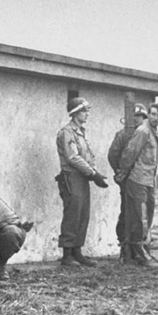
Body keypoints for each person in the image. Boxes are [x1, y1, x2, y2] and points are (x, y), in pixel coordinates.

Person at [55, 97, 108, 268]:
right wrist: (93, 174)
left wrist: (93, 173)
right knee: (72, 214)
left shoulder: (80, 132)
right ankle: (67, 255)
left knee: (83, 214)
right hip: (71, 177)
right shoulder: (67, 132)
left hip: (82, 177)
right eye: (84, 111)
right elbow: (72, 157)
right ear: (75, 113)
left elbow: (86, 155)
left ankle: (77, 251)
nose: (87, 114)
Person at [116, 102, 158, 269]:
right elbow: (130, 152)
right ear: (148, 115)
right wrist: (122, 174)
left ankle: (144, 249)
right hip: (137, 179)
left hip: (149, 180)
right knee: (139, 217)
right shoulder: (143, 131)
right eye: (152, 114)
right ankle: (139, 253)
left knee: (148, 215)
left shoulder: (154, 132)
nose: (155, 118)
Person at [107, 103, 148, 253]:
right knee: (127, 211)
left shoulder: (146, 134)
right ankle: (125, 245)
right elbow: (113, 155)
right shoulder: (123, 134)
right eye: (134, 116)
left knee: (141, 213)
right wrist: (120, 172)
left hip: (143, 180)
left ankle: (139, 245)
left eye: (140, 116)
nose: (137, 119)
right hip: (127, 179)